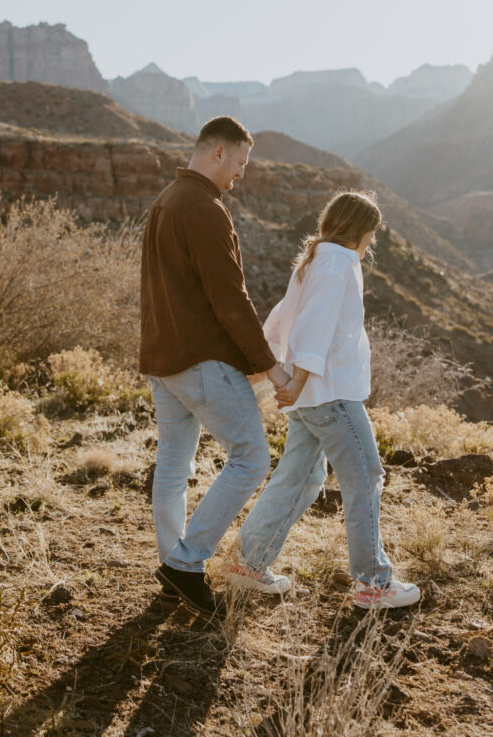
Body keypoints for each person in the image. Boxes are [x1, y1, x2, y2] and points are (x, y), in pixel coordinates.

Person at [227, 191, 421, 609]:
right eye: (372, 234)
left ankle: (248, 563)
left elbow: (283, 315)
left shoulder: (316, 259)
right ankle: (374, 583)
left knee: (300, 477)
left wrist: (264, 363)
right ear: (360, 230)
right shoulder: (336, 264)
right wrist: (294, 381)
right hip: (330, 394)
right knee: (366, 477)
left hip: (313, 398)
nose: (372, 242)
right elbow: (313, 327)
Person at [140, 116, 291, 619]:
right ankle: (185, 565)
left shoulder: (164, 202)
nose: (242, 174)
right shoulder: (205, 208)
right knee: (251, 458)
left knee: (174, 467)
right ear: (219, 152)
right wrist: (269, 366)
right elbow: (231, 299)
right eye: (242, 163)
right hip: (201, 359)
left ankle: (172, 567)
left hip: (164, 360)